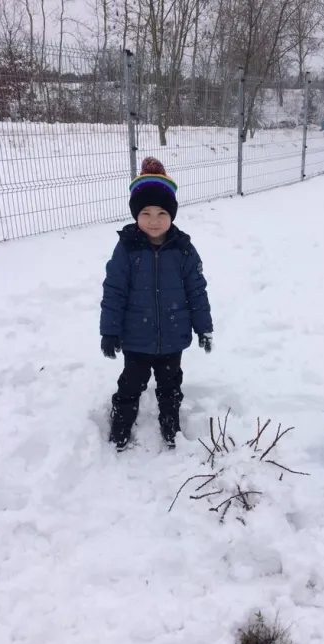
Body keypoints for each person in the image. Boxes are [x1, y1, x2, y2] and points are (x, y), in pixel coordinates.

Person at [100, 157, 213, 451]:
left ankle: (170, 423)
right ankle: (122, 421)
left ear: (172, 214)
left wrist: (204, 328)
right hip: (136, 337)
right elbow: (114, 290)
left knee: (170, 386)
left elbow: (197, 291)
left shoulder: (184, 249)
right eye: (146, 213)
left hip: (172, 337)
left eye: (162, 212)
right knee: (130, 384)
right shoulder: (127, 248)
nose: (154, 220)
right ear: (136, 214)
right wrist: (109, 330)